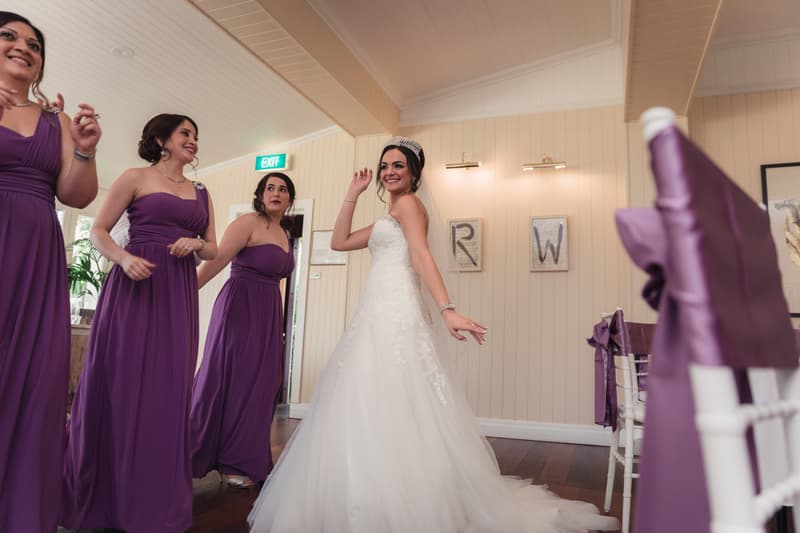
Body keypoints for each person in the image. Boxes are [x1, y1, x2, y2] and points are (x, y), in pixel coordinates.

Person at [248, 137, 619, 532]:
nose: (390, 171)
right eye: (385, 165)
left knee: (397, 395)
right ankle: (375, 489)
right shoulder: (390, 216)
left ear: (413, 174)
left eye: (398, 166)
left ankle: (401, 496)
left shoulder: (409, 206)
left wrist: (447, 309)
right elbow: (339, 242)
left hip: (398, 311)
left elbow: (422, 256)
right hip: (376, 311)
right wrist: (351, 194)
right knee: (370, 395)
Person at [61, 113, 216, 532]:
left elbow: (214, 248)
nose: (193, 141)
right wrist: (124, 258)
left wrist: (197, 242)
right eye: (186, 133)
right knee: (121, 382)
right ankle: (105, 494)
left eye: (196, 136)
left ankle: (153, 497)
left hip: (177, 294)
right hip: (133, 287)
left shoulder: (201, 191)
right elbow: (97, 230)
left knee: (167, 387)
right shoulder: (134, 177)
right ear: (162, 139)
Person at [0, 11, 101, 532]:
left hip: (37, 257)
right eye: (9, 36)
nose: (24, 47)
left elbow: (76, 195)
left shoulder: (53, 121)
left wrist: (84, 147)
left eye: (34, 44)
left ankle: (22, 514)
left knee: (37, 383)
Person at [190, 172, 297, 488]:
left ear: (289, 198)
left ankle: (242, 455)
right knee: (230, 377)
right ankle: (214, 455)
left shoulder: (283, 232)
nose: (276, 193)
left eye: (283, 189)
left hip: (267, 312)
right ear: (260, 195)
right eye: (270, 188)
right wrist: (184, 292)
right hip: (239, 307)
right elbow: (217, 260)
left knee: (262, 382)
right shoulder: (247, 223)